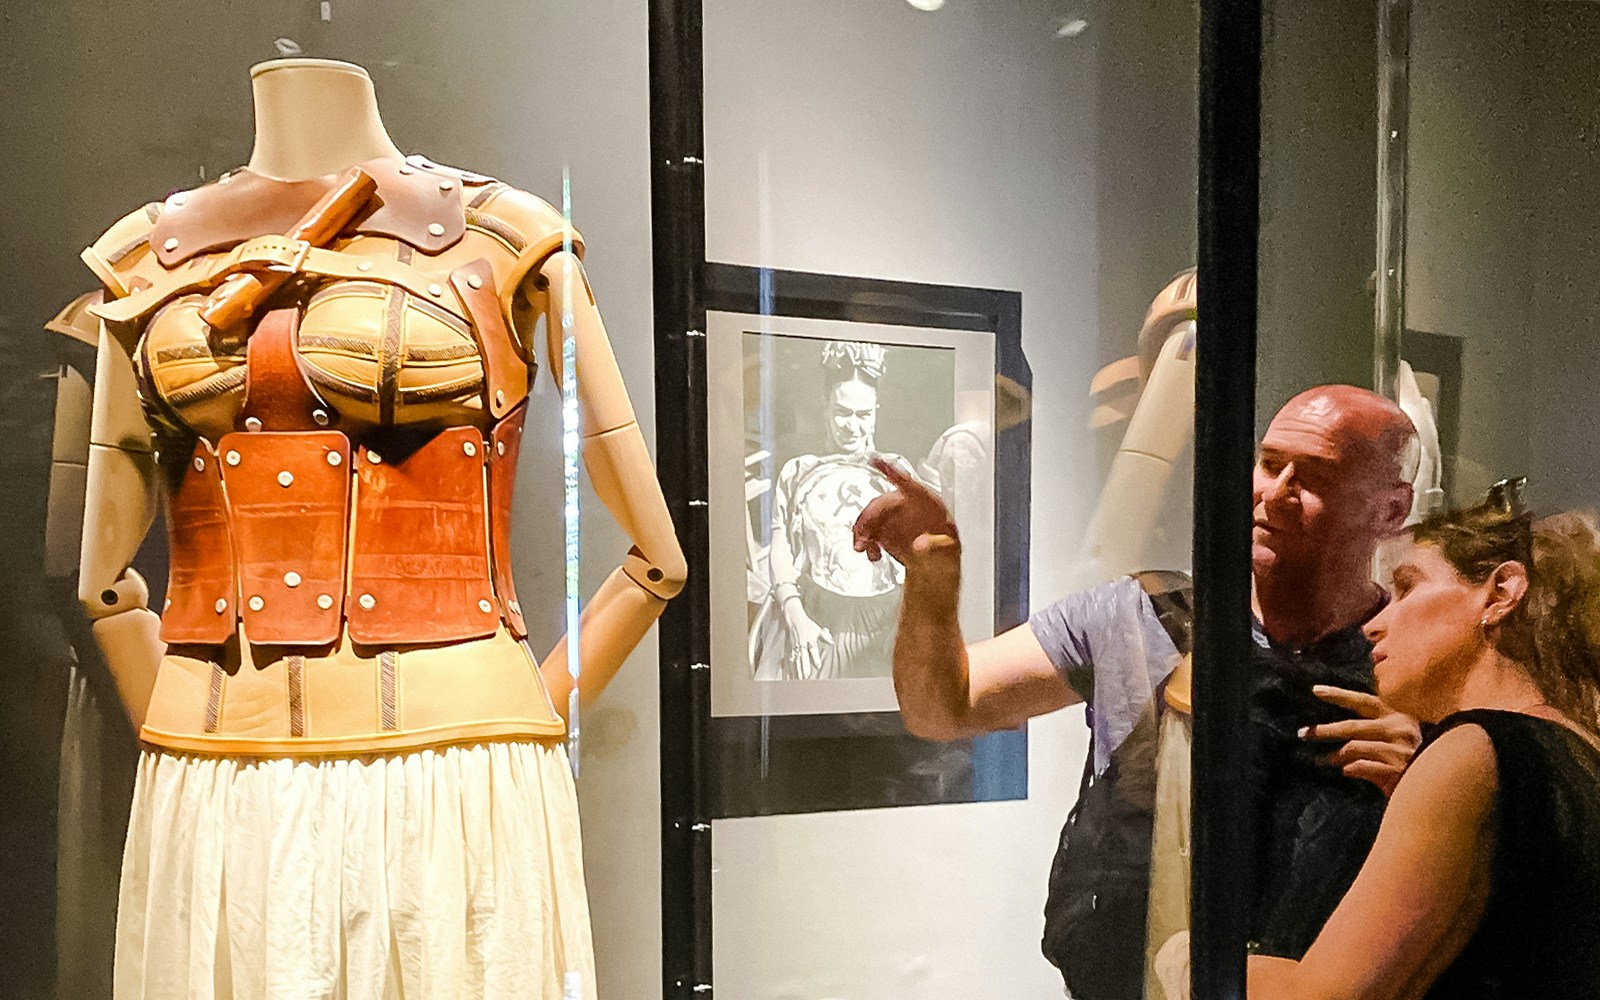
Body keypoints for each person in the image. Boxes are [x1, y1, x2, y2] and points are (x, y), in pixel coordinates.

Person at [852, 384, 1425, 994]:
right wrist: (932, 575)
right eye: (1269, 462)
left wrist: (1422, 782)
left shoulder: (1415, 651)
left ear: (1391, 512)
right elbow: (944, 709)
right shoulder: (1137, 613)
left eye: (1316, 478)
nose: (1274, 493)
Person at [1244, 490, 1600, 999]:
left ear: (1501, 592)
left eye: (1408, 587)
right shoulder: (1578, 753)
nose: (1374, 626)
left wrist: (1191, 957)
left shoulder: (1472, 751)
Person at [750, 340, 916, 680]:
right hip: (814, 616)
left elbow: (922, 557)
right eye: (842, 412)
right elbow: (781, 547)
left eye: (863, 415)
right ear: (826, 406)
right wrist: (795, 617)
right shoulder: (798, 471)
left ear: (876, 411)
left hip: (884, 624)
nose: (852, 426)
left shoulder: (898, 473)